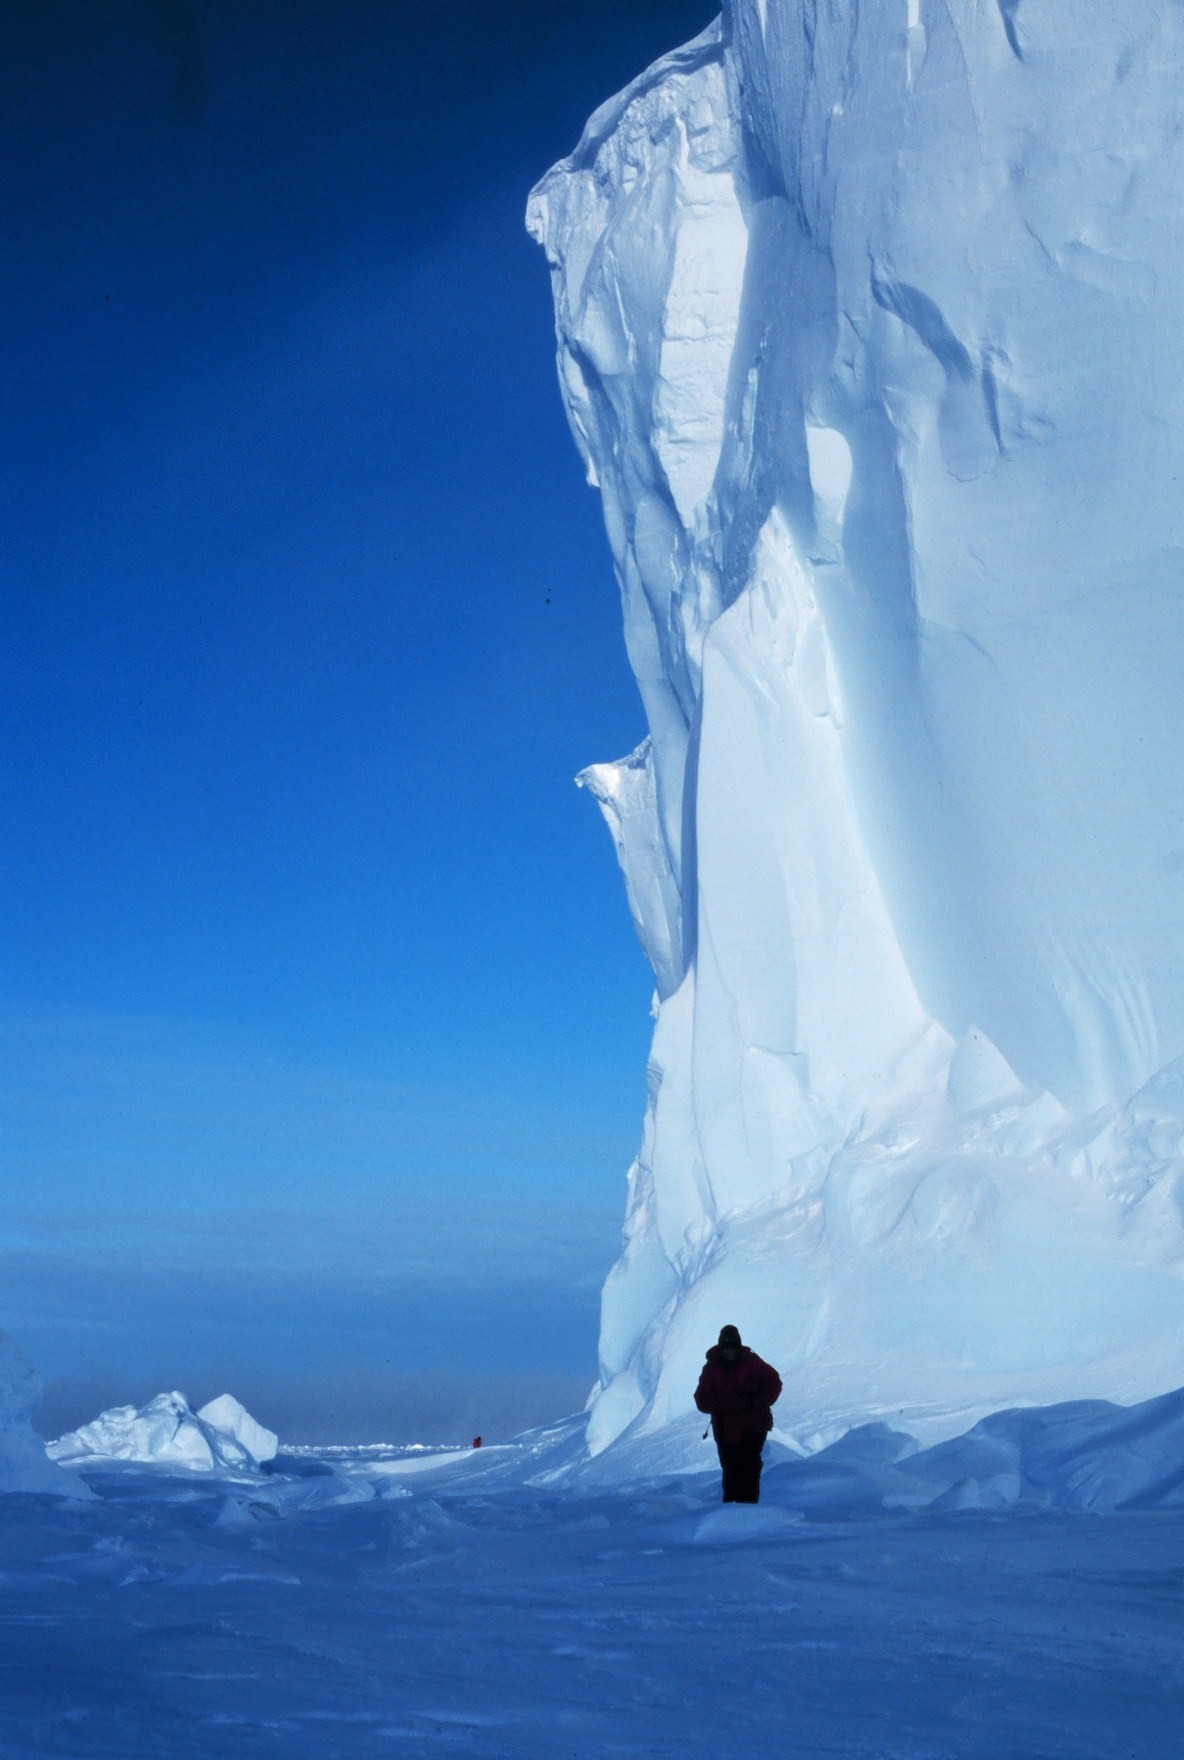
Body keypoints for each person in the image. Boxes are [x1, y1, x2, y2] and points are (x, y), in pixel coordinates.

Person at [693, 1324, 782, 1504]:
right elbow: (701, 1399)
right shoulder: (712, 1368)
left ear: (738, 1347)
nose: (729, 1353)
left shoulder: (752, 1362)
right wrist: (726, 1404)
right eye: (726, 1348)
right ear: (720, 1348)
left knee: (749, 1467)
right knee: (731, 1469)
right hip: (726, 1429)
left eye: (732, 1348)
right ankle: (731, 1511)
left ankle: (747, 1509)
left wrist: (757, 1400)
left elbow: (774, 1382)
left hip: (753, 1425)